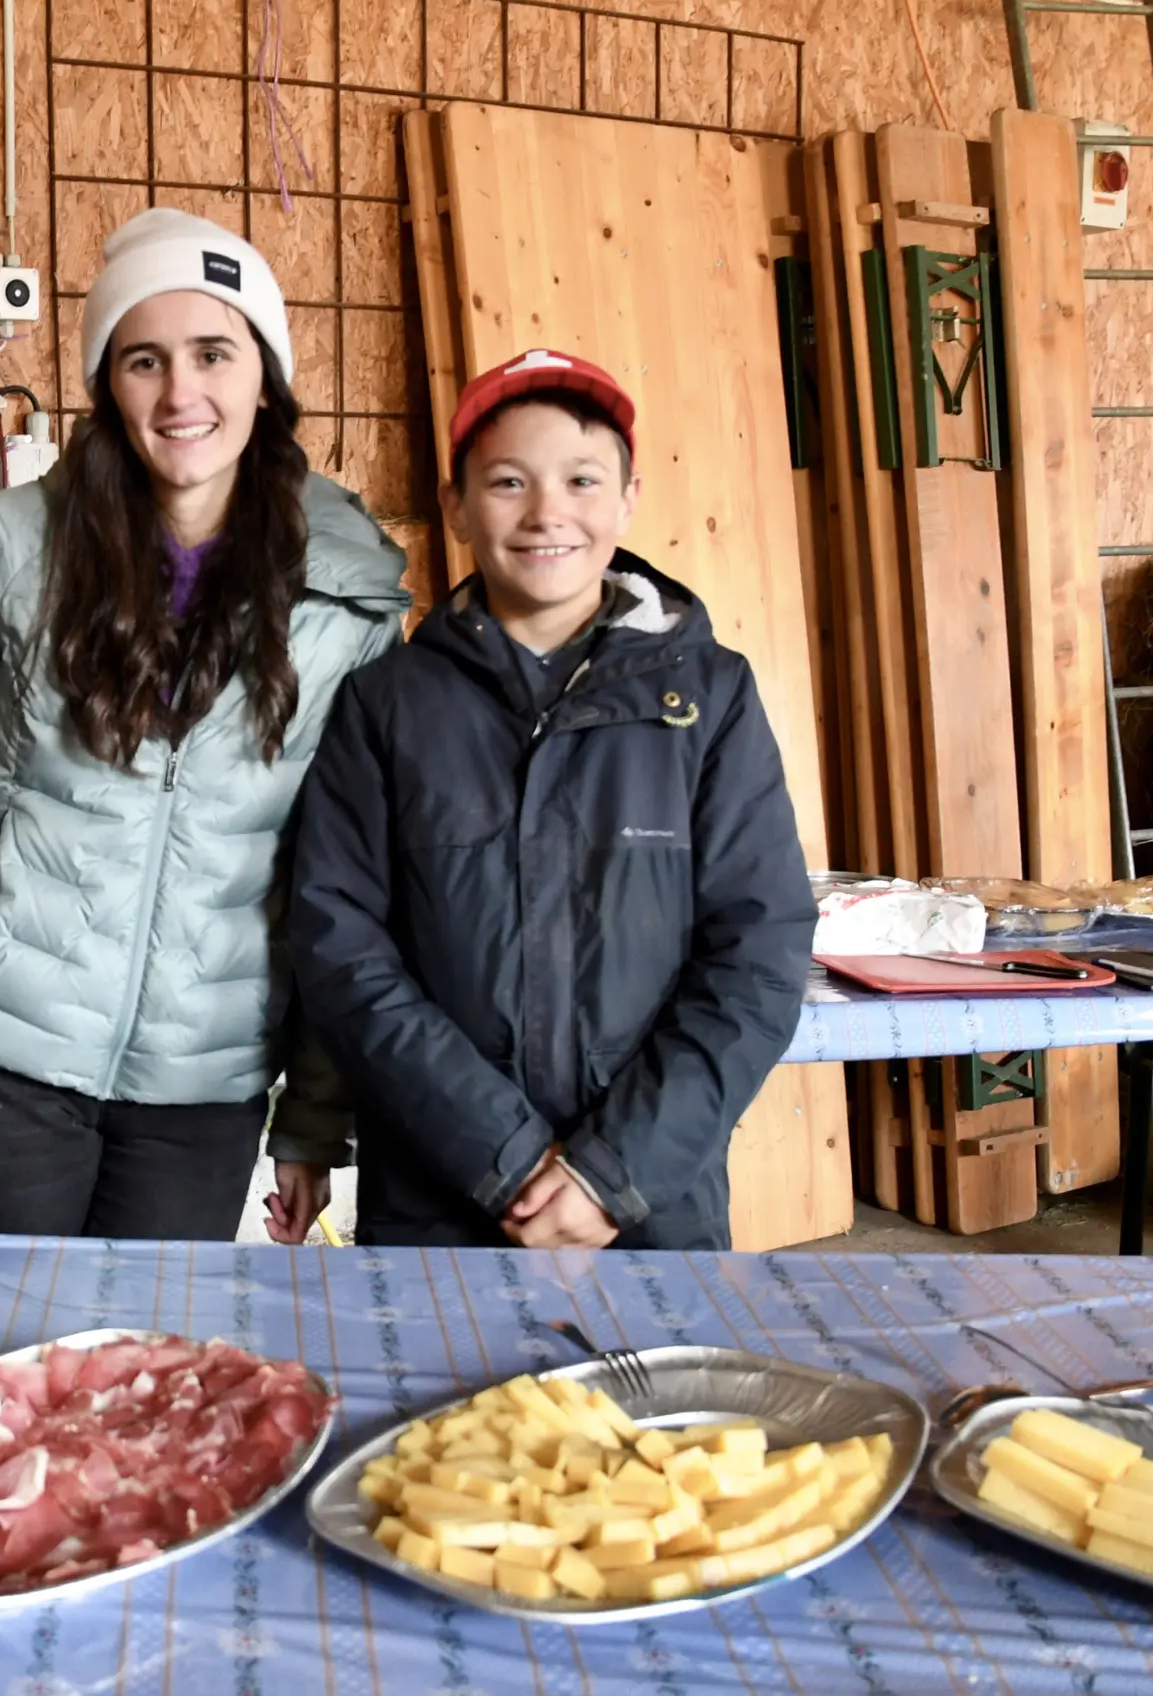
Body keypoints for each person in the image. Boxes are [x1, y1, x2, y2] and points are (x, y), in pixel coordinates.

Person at [0, 208, 408, 1240]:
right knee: (24, 1342)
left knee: (154, 1354)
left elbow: (348, 869)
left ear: (265, 377)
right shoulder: (2, 550)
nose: (182, 392)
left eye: (213, 354)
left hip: (209, 1073)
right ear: (108, 381)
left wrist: (318, 1114)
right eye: (144, 359)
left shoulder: (350, 590)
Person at [287, 348, 815, 1250]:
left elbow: (757, 949)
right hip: (436, 1191)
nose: (548, 514)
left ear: (628, 498)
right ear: (454, 505)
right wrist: (504, 1156)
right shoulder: (389, 705)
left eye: (581, 479)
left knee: (647, 1396)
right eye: (507, 482)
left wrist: (613, 1173)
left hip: (649, 1203)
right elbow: (342, 949)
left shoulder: (711, 700)